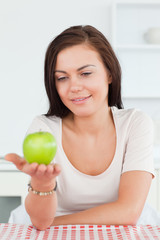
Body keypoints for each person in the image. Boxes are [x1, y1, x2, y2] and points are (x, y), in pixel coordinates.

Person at [5, 25, 155, 230]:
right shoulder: (43, 129)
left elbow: (128, 212)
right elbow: (40, 220)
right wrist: (42, 184)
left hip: (119, 230)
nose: (74, 86)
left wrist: (53, 224)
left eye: (85, 73)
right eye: (62, 77)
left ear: (109, 74)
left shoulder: (135, 123)